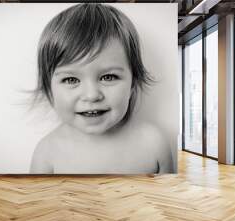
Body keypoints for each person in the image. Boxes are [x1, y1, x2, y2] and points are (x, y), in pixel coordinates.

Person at [30, 3, 173, 174]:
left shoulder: (154, 143)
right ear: (49, 90)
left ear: (133, 83)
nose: (91, 95)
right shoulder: (47, 153)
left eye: (108, 77)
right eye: (71, 79)